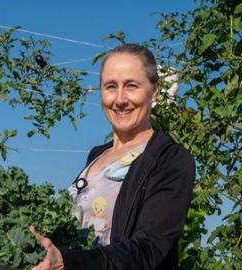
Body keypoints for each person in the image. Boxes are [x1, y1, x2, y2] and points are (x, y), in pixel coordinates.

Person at [30, 43, 195, 270]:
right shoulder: (97, 155)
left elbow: (149, 249)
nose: (119, 99)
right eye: (110, 86)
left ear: (154, 90)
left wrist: (68, 262)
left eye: (131, 86)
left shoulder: (170, 159)